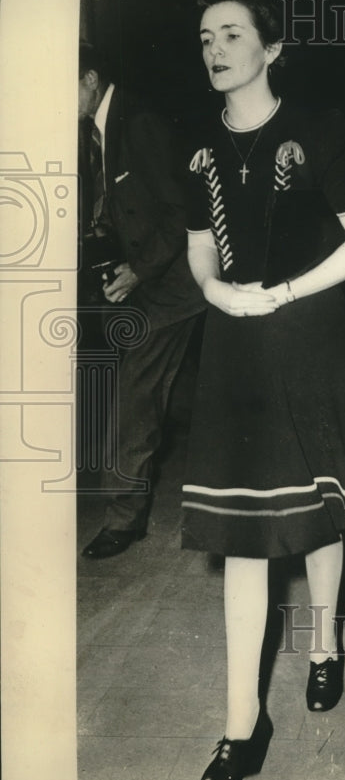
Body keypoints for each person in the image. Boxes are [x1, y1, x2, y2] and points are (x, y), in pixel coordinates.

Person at [182, 0, 345, 780]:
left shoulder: (317, 131)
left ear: (271, 49)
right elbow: (199, 245)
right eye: (206, 37)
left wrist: (285, 293)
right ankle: (242, 723)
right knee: (245, 532)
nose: (215, 48)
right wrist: (215, 292)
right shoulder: (197, 141)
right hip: (233, 350)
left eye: (232, 33)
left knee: (315, 515)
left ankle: (323, 645)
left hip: (307, 339)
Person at [78, 43, 206, 559]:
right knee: (161, 391)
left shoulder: (141, 121)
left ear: (90, 78)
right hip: (152, 280)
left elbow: (181, 210)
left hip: (175, 284)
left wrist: (138, 269)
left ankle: (123, 519)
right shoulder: (101, 126)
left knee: (136, 395)